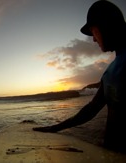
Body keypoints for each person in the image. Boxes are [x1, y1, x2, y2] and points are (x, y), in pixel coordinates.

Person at [33, 0, 126, 153]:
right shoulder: (109, 73)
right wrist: (55, 127)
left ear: (105, 25)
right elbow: (91, 110)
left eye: (93, 31)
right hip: (110, 153)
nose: (94, 39)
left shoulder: (111, 72)